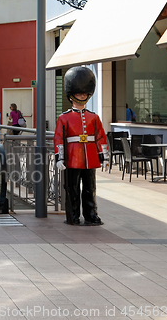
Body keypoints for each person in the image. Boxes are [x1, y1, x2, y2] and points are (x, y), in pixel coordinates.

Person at [53, 67, 109, 226]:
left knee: (90, 189)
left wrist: (104, 157)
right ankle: (73, 216)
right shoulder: (64, 118)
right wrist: (60, 157)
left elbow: (100, 137)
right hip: (72, 157)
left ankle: (91, 215)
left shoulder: (93, 117)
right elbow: (59, 138)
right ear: (72, 96)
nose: (81, 96)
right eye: (78, 94)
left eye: (84, 94)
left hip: (89, 158)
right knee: (72, 189)